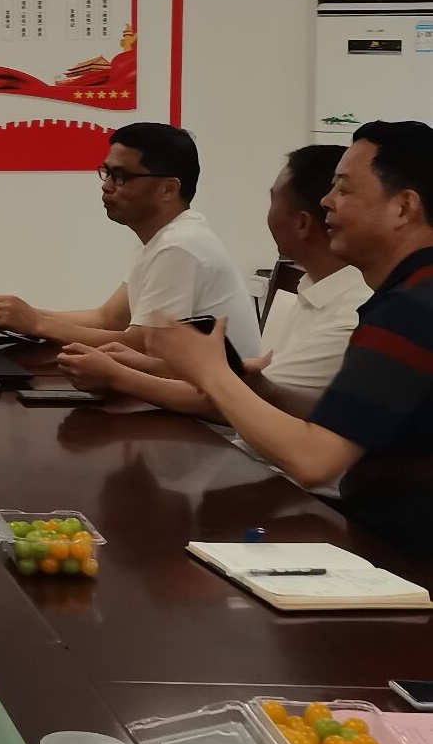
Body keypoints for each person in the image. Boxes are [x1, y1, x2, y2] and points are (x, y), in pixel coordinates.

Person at [150, 121, 433, 555]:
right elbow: (360, 423)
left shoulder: (412, 308)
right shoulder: (410, 294)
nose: (326, 201)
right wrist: (265, 390)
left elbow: (314, 460)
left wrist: (211, 373)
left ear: (403, 207)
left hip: (404, 559)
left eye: (344, 188)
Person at [58, 145, 369, 416]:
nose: (107, 187)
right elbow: (251, 381)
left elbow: (245, 402)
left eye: (121, 176)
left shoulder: (350, 316)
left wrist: (119, 376)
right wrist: (146, 365)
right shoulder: (314, 289)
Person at [0, 122, 260, 356]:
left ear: (168, 189)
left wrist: (37, 324)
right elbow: (108, 319)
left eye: (121, 176)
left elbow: (142, 345)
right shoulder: (164, 237)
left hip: (217, 406)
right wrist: (21, 316)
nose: (106, 186)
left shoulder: (181, 246)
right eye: (107, 173)